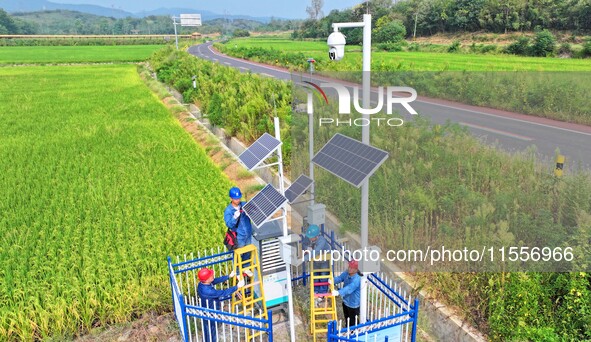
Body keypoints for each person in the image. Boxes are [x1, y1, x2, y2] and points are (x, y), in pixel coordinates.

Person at [197, 268, 245, 342]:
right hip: (211, 313)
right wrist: (237, 287)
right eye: (211, 275)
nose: (213, 275)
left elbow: (215, 280)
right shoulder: (208, 291)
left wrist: (228, 276)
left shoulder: (202, 284)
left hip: (206, 310)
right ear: (206, 280)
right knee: (211, 332)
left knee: (207, 330)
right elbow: (223, 293)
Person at [224, 187, 254, 276]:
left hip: (248, 233)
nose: (238, 200)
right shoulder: (228, 211)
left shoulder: (244, 204)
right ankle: (237, 272)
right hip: (238, 236)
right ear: (231, 198)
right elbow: (229, 224)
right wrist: (234, 217)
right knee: (238, 255)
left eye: (239, 198)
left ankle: (246, 268)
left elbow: (254, 210)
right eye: (236, 199)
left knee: (247, 252)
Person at [302, 224, 331, 302]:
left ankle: (322, 293)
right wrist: (306, 249)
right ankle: (315, 291)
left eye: (311, 237)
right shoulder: (308, 238)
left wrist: (306, 258)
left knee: (323, 276)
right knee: (315, 275)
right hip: (315, 260)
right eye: (309, 237)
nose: (310, 238)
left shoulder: (321, 241)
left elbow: (317, 251)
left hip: (324, 261)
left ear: (317, 236)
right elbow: (304, 244)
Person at [331, 260, 362, 326]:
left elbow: (349, 288)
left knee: (354, 322)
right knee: (347, 318)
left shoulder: (357, 279)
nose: (349, 268)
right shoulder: (346, 273)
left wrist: (338, 292)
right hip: (346, 301)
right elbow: (340, 278)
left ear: (356, 270)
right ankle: (348, 330)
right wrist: (332, 281)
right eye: (349, 267)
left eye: (351, 268)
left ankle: (355, 333)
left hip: (353, 304)